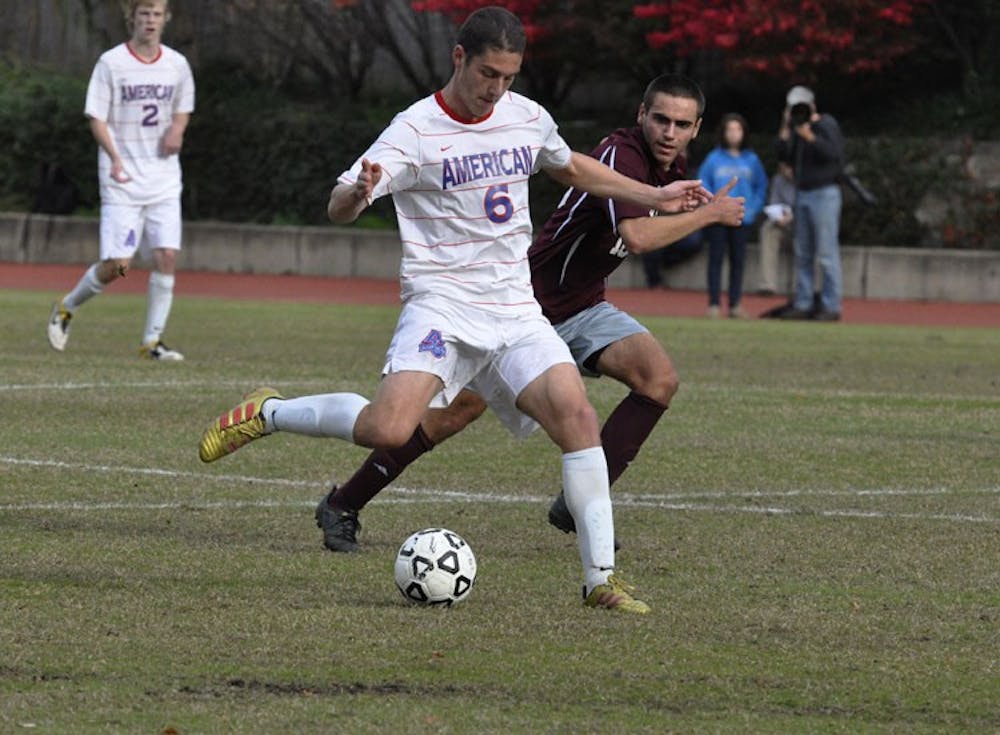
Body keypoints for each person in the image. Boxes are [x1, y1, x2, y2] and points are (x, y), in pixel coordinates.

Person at [198, 10, 714, 614]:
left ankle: (599, 579)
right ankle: (270, 410)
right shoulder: (414, 129)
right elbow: (337, 205)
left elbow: (569, 165)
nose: (496, 89)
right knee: (390, 428)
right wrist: (358, 193)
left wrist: (653, 195)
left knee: (576, 416)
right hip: (442, 304)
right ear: (459, 58)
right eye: (488, 74)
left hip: (515, 306)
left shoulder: (525, 116)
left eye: (509, 77)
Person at [298, 75, 743, 555]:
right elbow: (635, 236)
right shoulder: (622, 154)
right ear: (641, 115)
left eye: (681, 123)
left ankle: (578, 503)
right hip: (526, 303)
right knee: (450, 415)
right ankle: (344, 504)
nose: (668, 132)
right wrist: (708, 215)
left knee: (658, 379)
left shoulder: (673, 169)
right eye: (660, 119)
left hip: (585, 305)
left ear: (697, 129)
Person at [46, 0, 193, 359]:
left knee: (167, 256)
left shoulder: (177, 64)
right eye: (144, 14)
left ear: (165, 20)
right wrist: (114, 158)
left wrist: (177, 129)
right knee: (118, 266)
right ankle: (67, 307)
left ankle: (151, 342)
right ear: (133, 19)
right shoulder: (111, 63)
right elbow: (96, 117)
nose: (150, 21)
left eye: (157, 15)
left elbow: (182, 108)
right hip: (122, 178)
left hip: (163, 177)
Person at [775, 85, 845, 321]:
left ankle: (831, 305)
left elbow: (834, 154)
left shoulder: (826, 124)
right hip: (802, 192)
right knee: (802, 252)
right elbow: (783, 155)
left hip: (824, 193)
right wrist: (786, 125)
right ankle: (803, 302)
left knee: (826, 252)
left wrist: (811, 136)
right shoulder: (795, 128)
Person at [697, 113, 767, 318]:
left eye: (738, 129)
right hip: (717, 217)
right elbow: (703, 183)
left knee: (738, 261)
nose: (733, 134)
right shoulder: (713, 158)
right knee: (715, 259)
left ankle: (735, 305)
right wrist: (711, 205)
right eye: (729, 129)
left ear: (744, 133)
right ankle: (714, 305)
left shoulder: (752, 160)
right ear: (723, 132)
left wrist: (752, 209)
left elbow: (761, 186)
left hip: (741, 217)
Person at [757, 161, 796, 295]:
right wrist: (779, 217)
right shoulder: (778, 180)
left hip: (802, 225)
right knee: (768, 229)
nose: (788, 171)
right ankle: (767, 285)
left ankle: (802, 287)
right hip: (784, 224)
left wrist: (793, 216)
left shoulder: (808, 180)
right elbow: (774, 204)